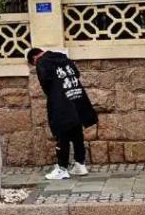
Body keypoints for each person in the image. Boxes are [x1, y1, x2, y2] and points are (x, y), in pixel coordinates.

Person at [28, 47, 98, 180]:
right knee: (77, 131)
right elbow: (76, 74)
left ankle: (62, 168)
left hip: (61, 102)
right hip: (77, 97)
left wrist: (56, 92)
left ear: (34, 58)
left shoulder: (42, 62)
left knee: (62, 133)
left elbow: (45, 83)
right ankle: (80, 164)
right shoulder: (63, 57)